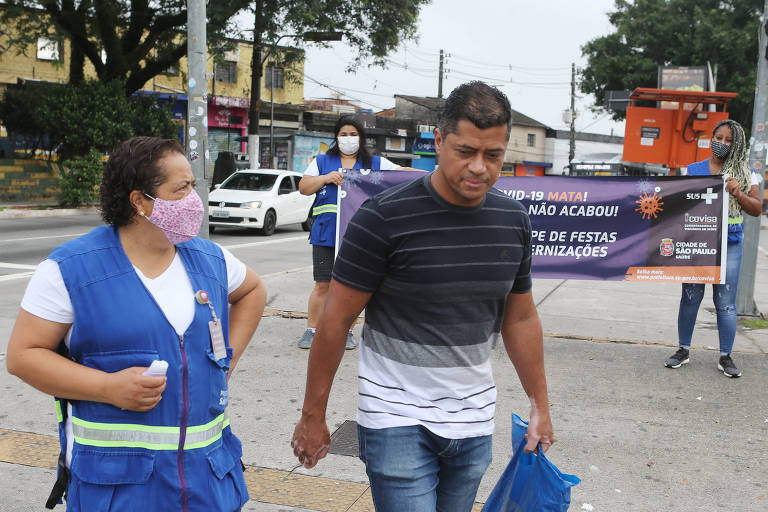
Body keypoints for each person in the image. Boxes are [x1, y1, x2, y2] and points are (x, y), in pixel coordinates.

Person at [291, 82, 554, 511]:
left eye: (493, 155)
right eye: (465, 151)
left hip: (472, 424)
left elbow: (520, 318)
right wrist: (312, 416)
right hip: (395, 419)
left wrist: (539, 406)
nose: (479, 167)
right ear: (438, 140)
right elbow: (336, 320)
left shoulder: (512, 220)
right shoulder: (383, 217)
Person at [6, 136, 267, 511]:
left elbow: (253, 291)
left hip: (209, 484)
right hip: (119, 490)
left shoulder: (210, 258)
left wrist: (226, 360)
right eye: (182, 189)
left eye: (194, 186)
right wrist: (108, 387)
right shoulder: (71, 268)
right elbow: (23, 356)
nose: (195, 200)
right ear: (140, 201)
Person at [664, 119, 761, 377]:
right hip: (698, 244)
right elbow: (677, 203)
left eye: (728, 140)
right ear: (711, 137)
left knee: (726, 303)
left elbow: (756, 208)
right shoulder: (694, 170)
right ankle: (683, 350)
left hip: (730, 244)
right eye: (718, 137)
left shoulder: (745, 173)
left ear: (737, 144)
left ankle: (725, 356)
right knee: (690, 297)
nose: (722, 143)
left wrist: (738, 193)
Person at [296, 116, 400, 350]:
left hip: (360, 235)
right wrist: (325, 179)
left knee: (353, 287)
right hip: (326, 233)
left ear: (361, 138)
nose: (348, 139)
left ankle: (348, 331)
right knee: (323, 285)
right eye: (343, 134)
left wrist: (440, 173)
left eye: (353, 134)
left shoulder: (374, 162)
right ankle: (312, 330)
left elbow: (402, 174)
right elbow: (304, 187)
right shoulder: (322, 161)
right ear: (336, 137)